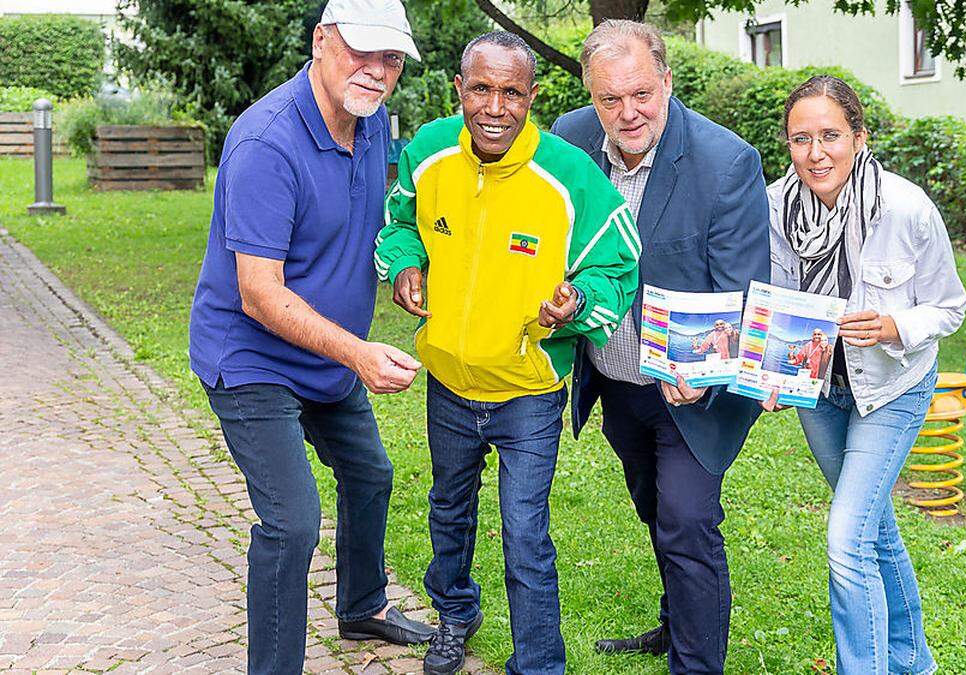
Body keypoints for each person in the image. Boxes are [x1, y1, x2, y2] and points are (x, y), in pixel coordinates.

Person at [374, 31, 639, 675]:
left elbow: (619, 264)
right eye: (482, 89)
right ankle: (456, 616)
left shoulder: (571, 176)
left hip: (530, 387)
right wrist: (406, 263)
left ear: (532, 96)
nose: (496, 106)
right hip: (449, 380)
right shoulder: (428, 152)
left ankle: (539, 663)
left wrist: (577, 302)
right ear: (459, 90)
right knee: (447, 510)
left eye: (512, 92)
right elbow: (400, 222)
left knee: (524, 535)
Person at [188, 1, 432, 672]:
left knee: (371, 473)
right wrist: (357, 351)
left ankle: (361, 605)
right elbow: (258, 293)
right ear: (321, 41)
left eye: (391, 59)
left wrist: (404, 267)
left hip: (322, 358)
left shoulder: (372, 120)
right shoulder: (266, 141)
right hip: (252, 358)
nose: (376, 71)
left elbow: (370, 216)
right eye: (362, 52)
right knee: (293, 523)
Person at [551, 20, 769, 674]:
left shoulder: (726, 162)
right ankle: (677, 623)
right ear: (590, 96)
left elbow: (743, 292)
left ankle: (696, 663)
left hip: (695, 394)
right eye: (609, 99)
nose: (628, 113)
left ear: (667, 81)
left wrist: (706, 368)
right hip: (616, 379)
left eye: (642, 94)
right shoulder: (568, 142)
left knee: (686, 521)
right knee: (653, 506)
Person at [760, 74, 966, 675]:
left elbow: (949, 306)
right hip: (817, 389)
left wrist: (894, 326)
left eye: (830, 135)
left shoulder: (905, 208)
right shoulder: (776, 206)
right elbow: (774, 298)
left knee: (846, 541)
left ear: (859, 137)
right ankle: (915, 663)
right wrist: (771, 370)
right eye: (801, 139)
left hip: (892, 387)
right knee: (873, 529)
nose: (816, 153)